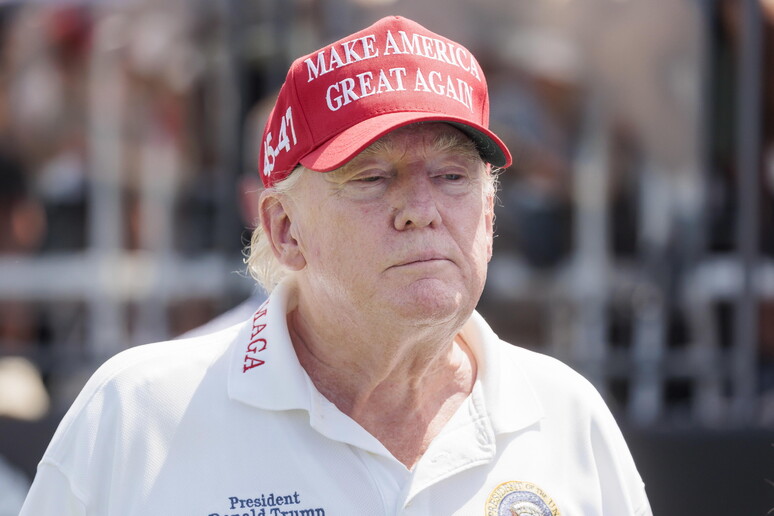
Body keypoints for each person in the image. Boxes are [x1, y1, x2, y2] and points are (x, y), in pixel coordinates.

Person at [20, 16, 652, 515]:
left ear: (489, 217)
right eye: (373, 178)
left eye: (453, 175)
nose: (421, 210)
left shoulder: (567, 416)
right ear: (285, 229)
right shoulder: (139, 415)